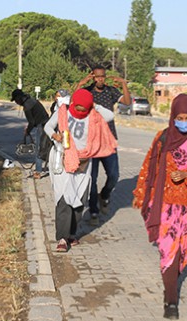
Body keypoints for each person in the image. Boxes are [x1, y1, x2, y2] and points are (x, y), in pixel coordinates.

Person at [132, 94, 187, 320]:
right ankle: (171, 299)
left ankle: (171, 283)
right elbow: (149, 167)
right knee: (170, 250)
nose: (184, 121)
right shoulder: (163, 138)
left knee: (183, 252)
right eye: (180, 117)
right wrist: (142, 195)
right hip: (165, 204)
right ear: (173, 116)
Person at [44, 89, 117, 252]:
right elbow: (48, 126)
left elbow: (110, 116)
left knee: (79, 197)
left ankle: (71, 234)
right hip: (64, 159)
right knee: (64, 196)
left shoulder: (93, 114)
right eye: (78, 108)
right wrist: (54, 136)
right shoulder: (63, 112)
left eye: (84, 110)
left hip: (84, 163)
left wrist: (94, 106)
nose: (80, 112)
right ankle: (62, 238)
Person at [76, 65, 131, 225]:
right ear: (93, 77)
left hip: (108, 140)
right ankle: (93, 211)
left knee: (114, 176)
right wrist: (80, 84)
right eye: (97, 77)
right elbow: (74, 101)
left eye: (102, 77)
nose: (100, 79)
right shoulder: (87, 91)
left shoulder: (111, 91)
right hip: (91, 141)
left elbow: (127, 102)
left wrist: (123, 84)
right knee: (91, 179)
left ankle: (104, 195)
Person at [11, 88, 50, 179]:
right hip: (47, 123)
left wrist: (27, 131)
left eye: (16, 100)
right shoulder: (32, 100)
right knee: (47, 148)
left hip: (41, 126)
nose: (16, 102)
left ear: (19, 98)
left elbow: (31, 122)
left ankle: (38, 172)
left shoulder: (27, 107)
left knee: (38, 150)